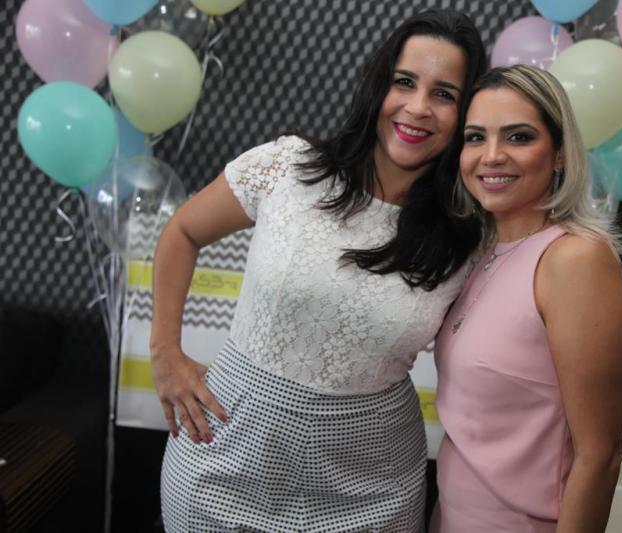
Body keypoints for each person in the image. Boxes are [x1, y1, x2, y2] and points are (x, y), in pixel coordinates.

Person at [150, 9, 487, 532]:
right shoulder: (289, 168)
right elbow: (182, 232)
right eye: (404, 82)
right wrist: (165, 354)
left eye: (444, 94)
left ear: (465, 114)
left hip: (372, 482)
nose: (418, 107)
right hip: (225, 454)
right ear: (378, 85)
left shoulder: (467, 236)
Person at [431, 65, 622, 532]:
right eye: (476, 138)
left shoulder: (575, 259)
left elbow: (600, 458)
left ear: (559, 154)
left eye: (518, 137)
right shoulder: (484, 252)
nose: (491, 156)